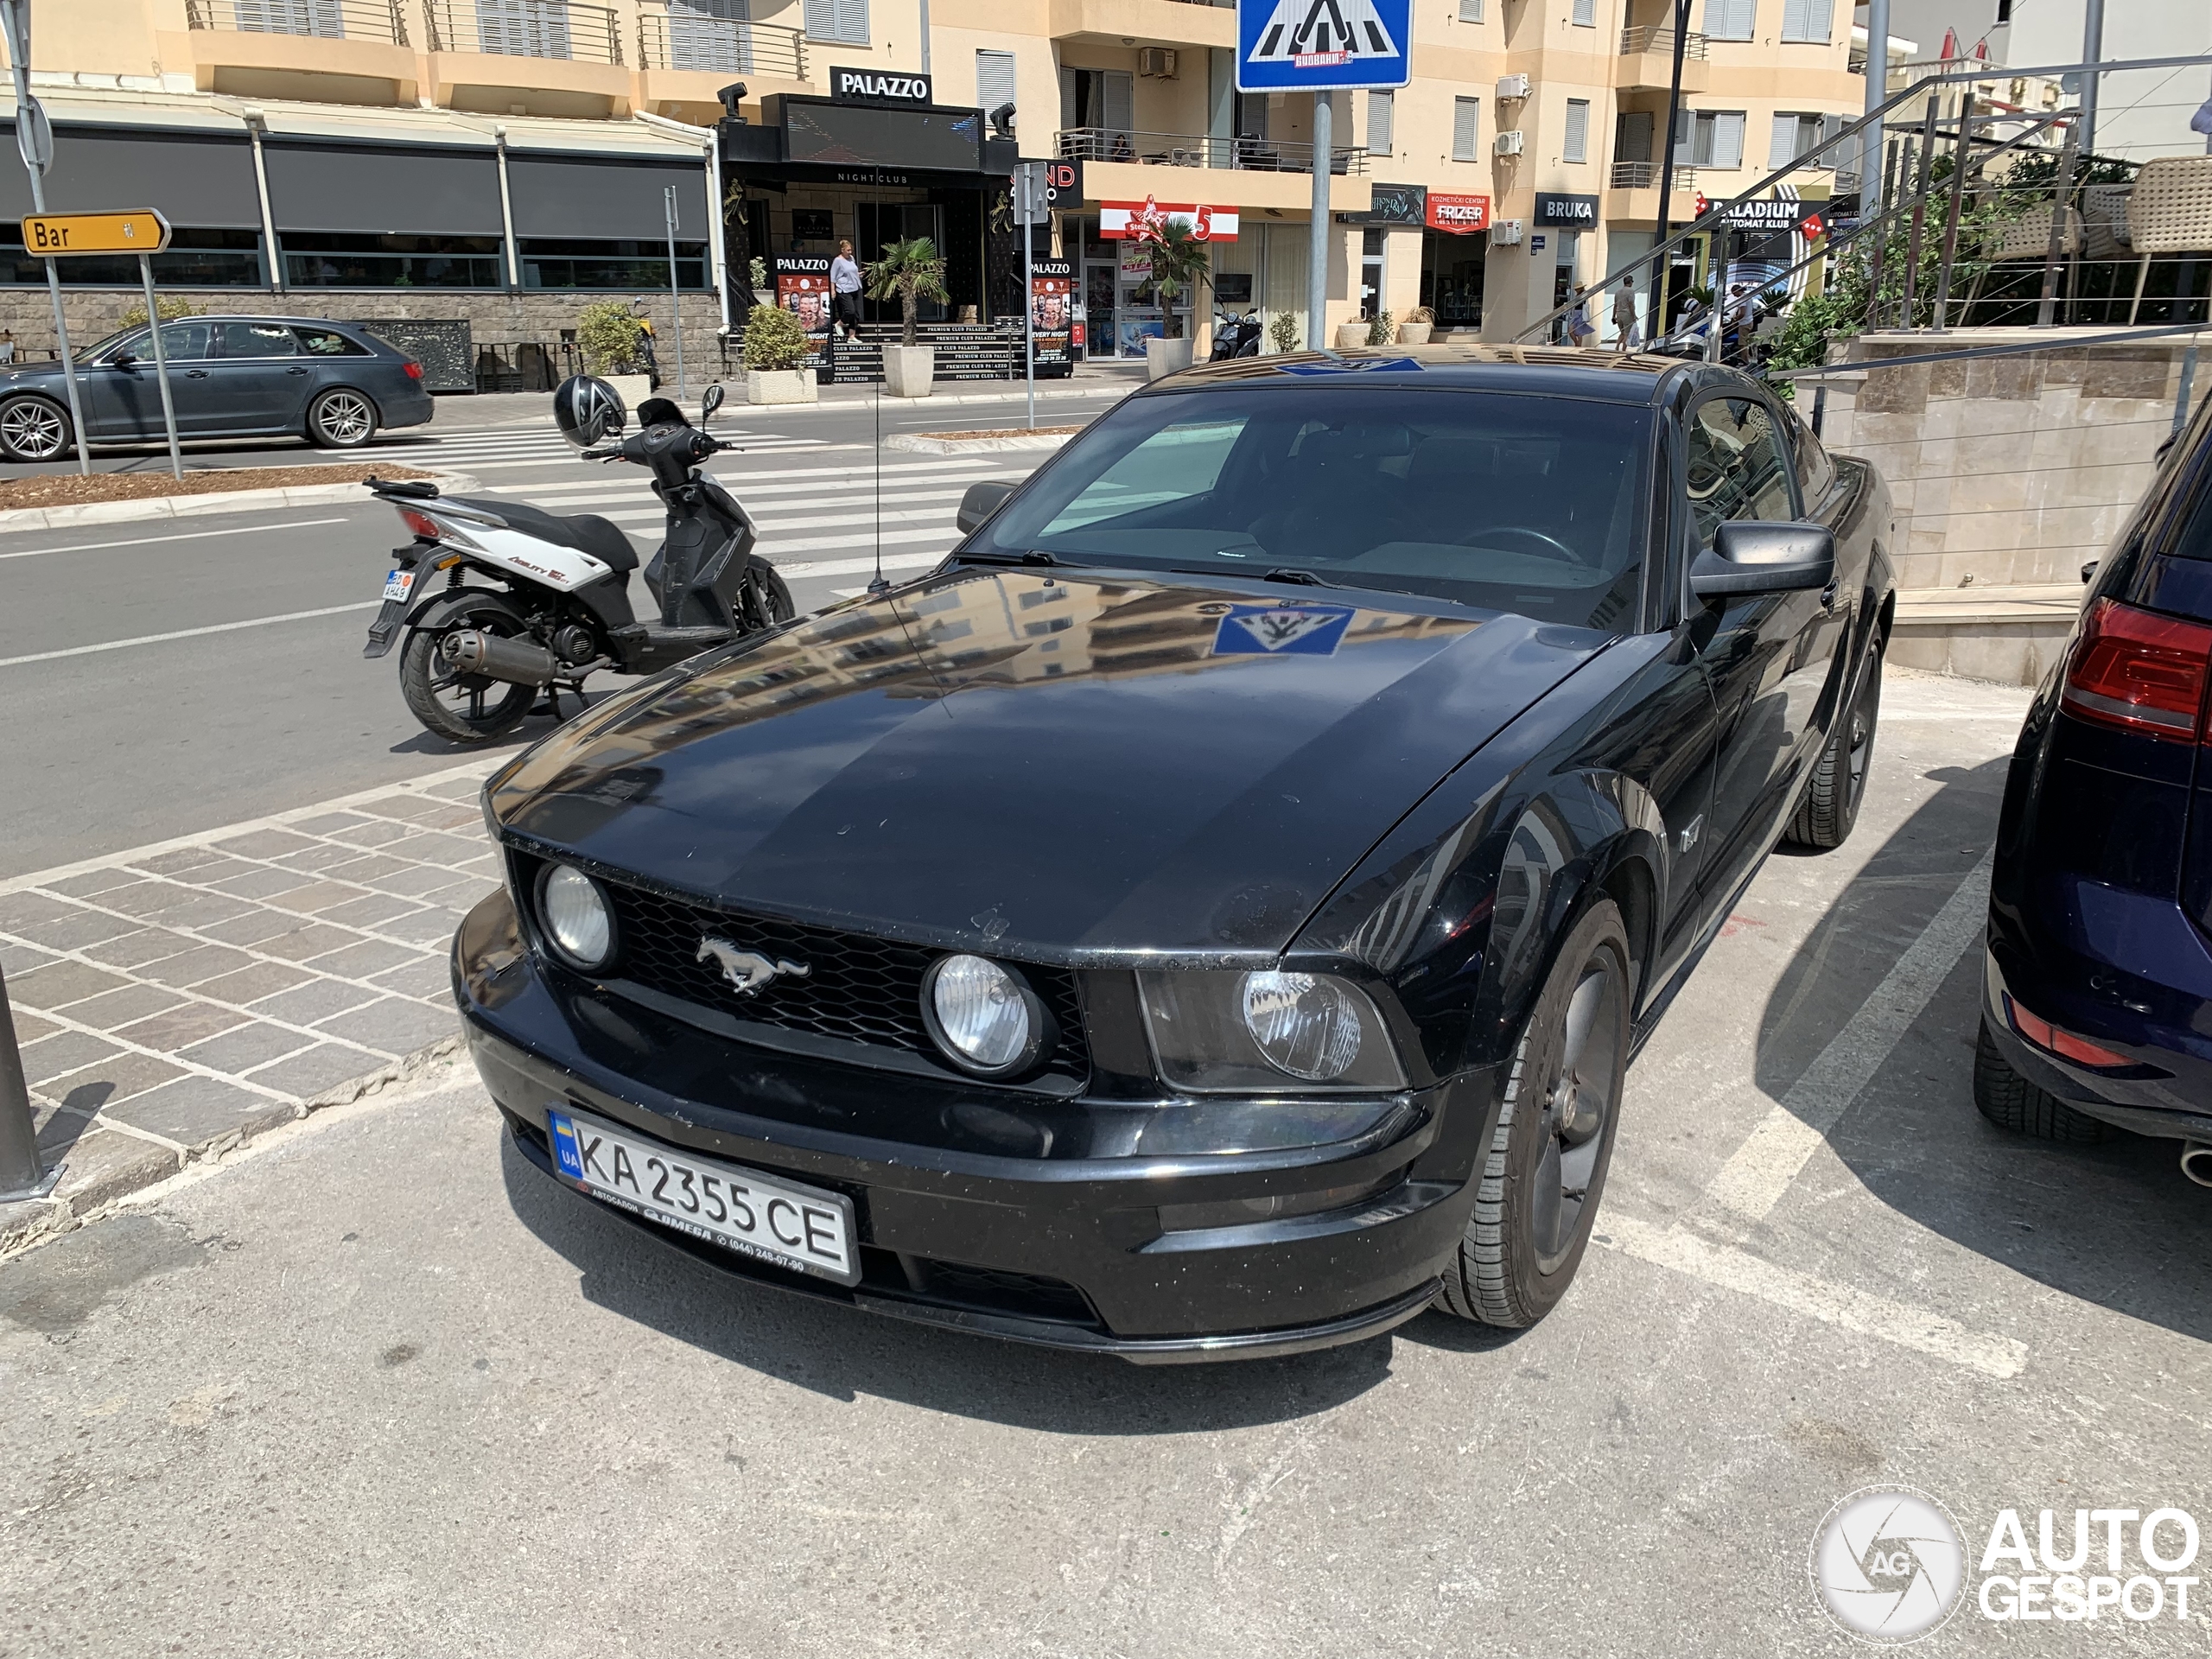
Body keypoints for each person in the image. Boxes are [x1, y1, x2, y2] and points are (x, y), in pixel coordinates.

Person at [830, 238, 863, 340]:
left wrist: (859, 275)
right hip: (844, 289)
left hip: (854, 287)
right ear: (842, 250)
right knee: (850, 311)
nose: (850, 252)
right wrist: (833, 290)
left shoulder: (851, 258)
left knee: (856, 314)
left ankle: (851, 336)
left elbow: (852, 272)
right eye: (848, 250)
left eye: (851, 250)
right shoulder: (838, 261)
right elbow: (833, 277)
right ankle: (839, 323)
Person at [1611, 275, 1639, 348]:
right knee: (1627, 334)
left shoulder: (1618, 292)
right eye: (1632, 281)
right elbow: (1631, 304)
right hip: (1627, 314)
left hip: (1619, 314)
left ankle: (1617, 347)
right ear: (1630, 282)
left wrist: (1613, 316)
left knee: (1622, 332)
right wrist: (1633, 316)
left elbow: (1615, 305)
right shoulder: (1631, 291)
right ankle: (1624, 350)